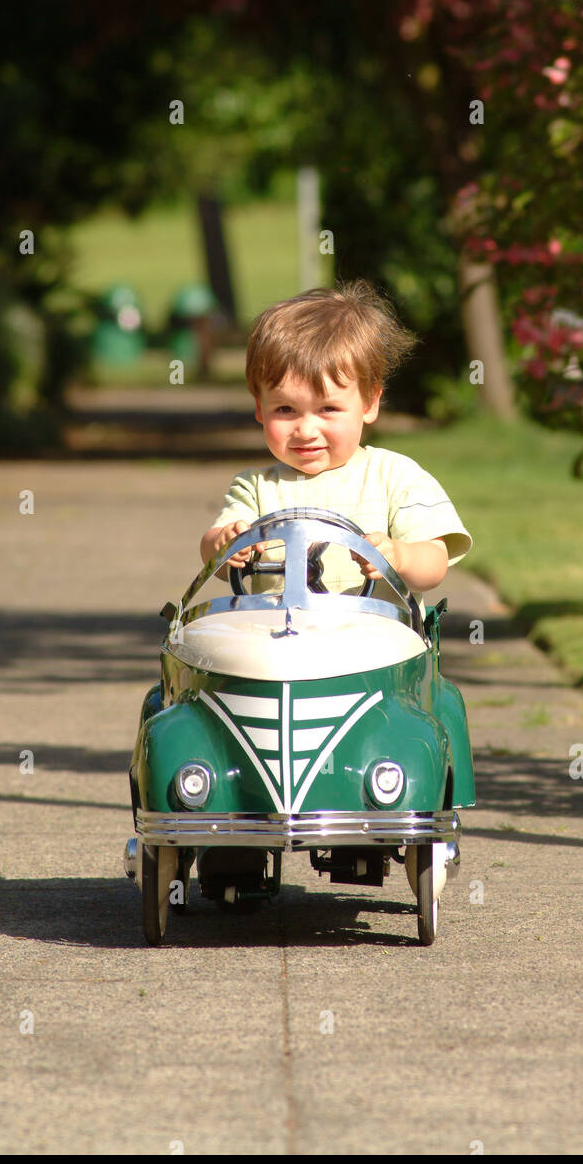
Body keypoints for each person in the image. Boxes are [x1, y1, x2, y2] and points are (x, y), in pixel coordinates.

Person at [199, 279, 472, 899]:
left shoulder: (395, 475)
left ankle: (372, 810)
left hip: (369, 655)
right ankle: (227, 829)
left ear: (370, 402)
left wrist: (398, 555)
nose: (306, 430)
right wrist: (228, 541)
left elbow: (436, 561)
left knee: (381, 734)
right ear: (259, 408)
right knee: (229, 709)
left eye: (328, 410)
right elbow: (215, 551)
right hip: (271, 651)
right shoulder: (258, 487)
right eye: (285, 411)